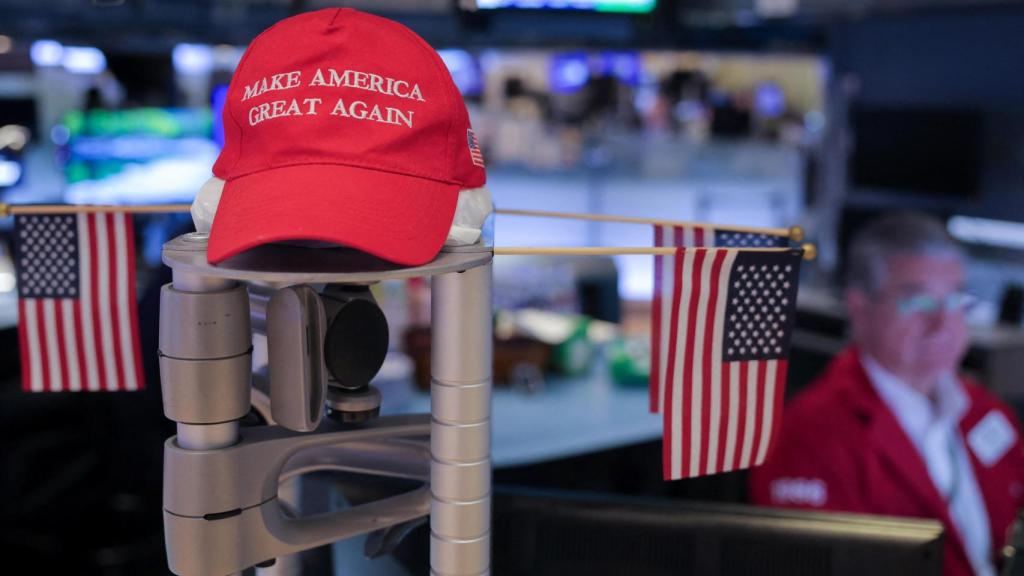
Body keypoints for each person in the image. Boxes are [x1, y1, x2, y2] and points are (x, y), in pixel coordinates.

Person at [749, 212, 1024, 576]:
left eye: (955, 300)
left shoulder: (988, 414)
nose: (942, 325)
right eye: (919, 303)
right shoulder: (806, 437)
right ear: (860, 308)